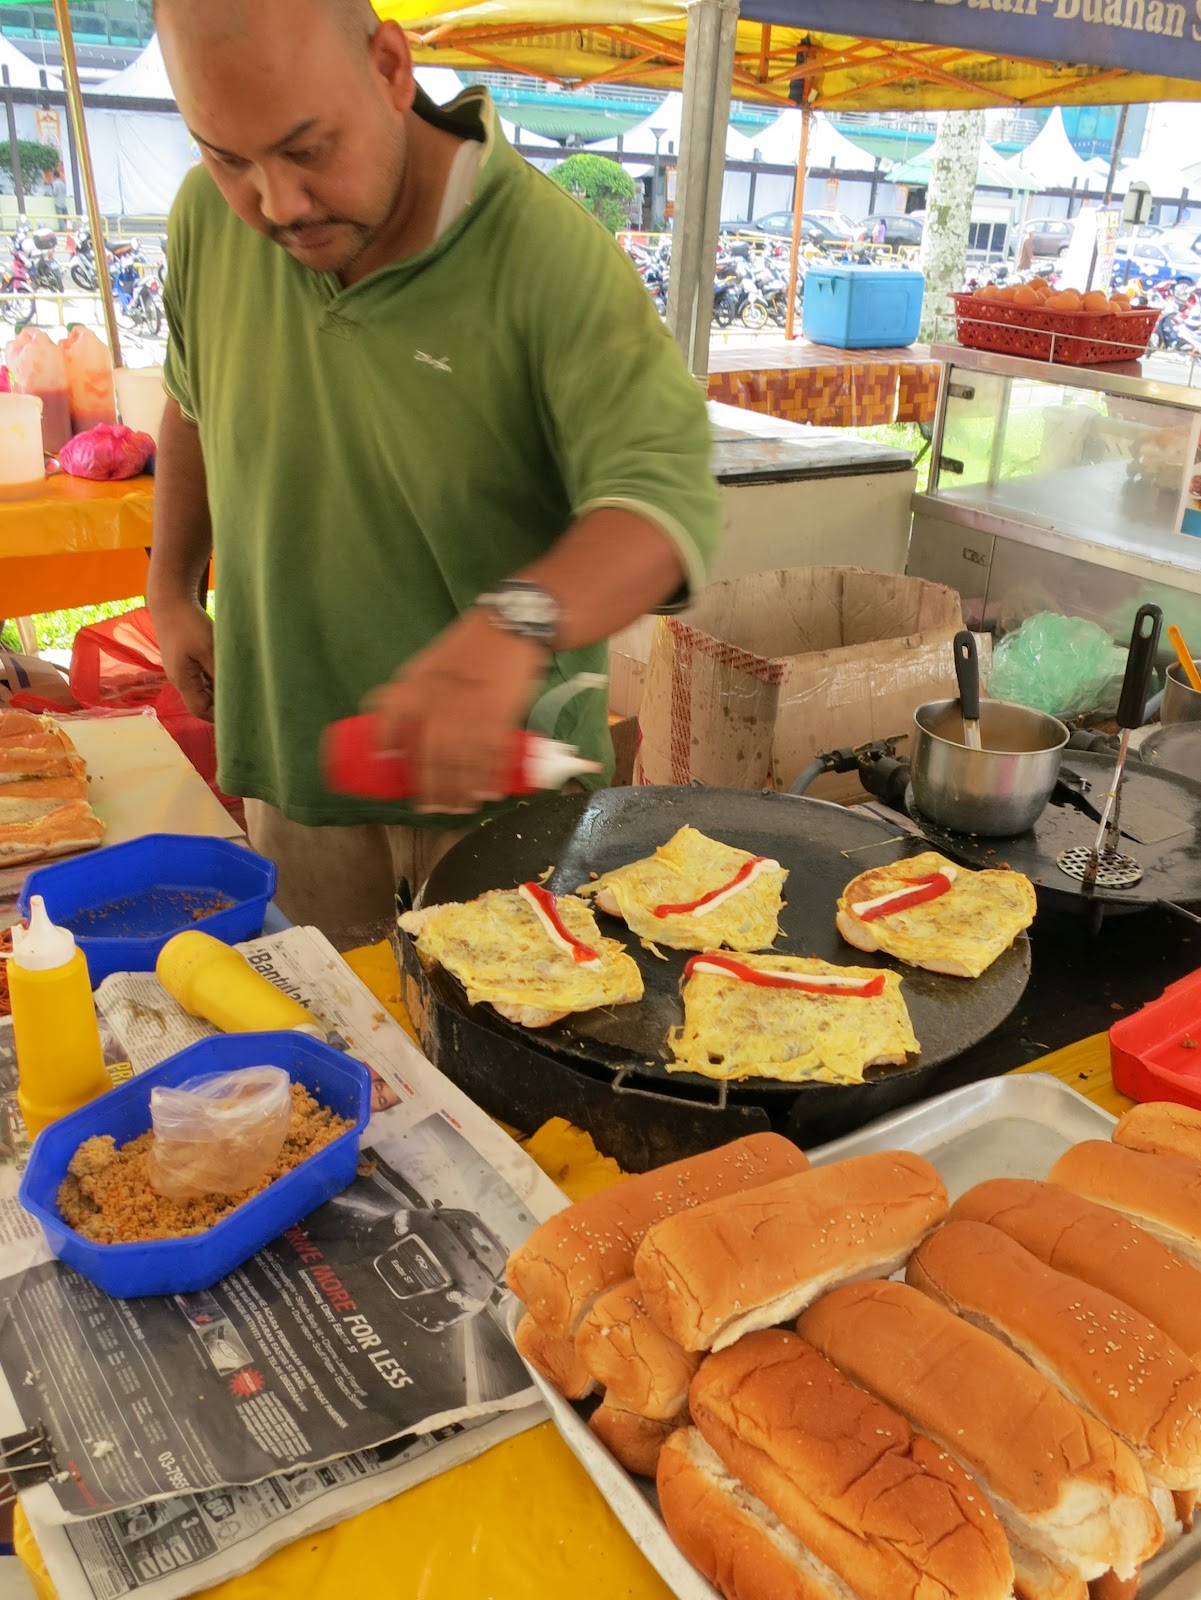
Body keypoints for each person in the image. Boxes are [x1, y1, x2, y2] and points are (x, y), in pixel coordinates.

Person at [150, 0, 719, 942]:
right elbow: (193, 401)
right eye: (228, 156)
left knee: (511, 1072)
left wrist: (512, 626)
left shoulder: (545, 255)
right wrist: (168, 588)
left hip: (507, 795)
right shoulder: (208, 222)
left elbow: (664, 503)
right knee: (333, 1064)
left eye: (307, 148)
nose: (276, 204)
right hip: (297, 770)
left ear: (387, 66)